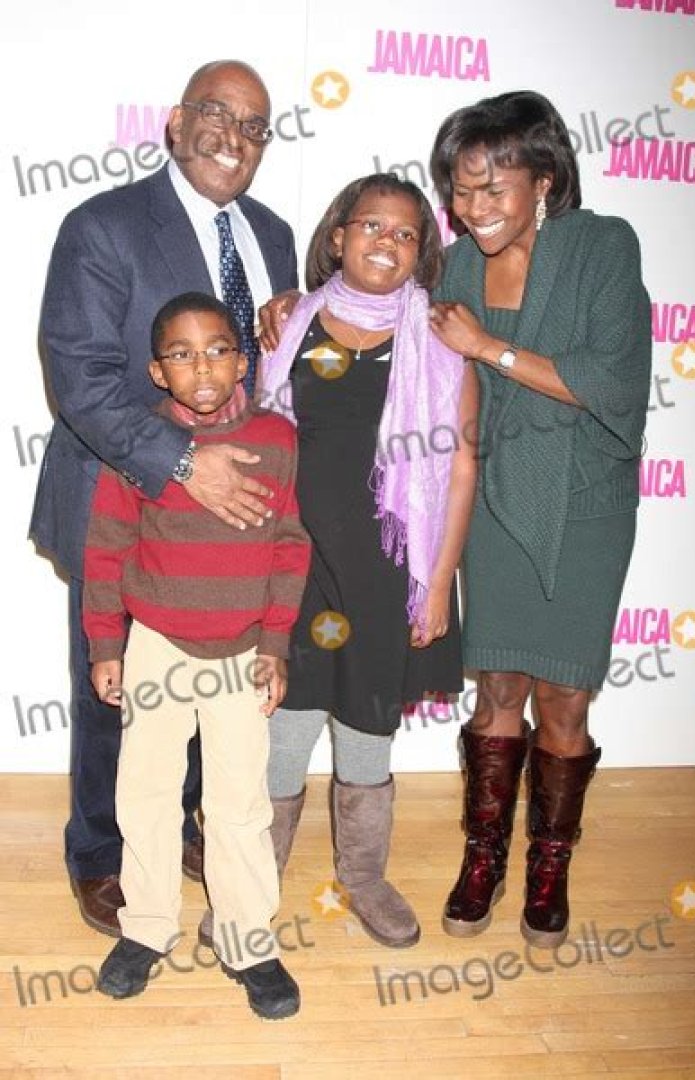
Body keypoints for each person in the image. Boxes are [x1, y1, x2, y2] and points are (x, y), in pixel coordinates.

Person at [29, 59, 298, 936]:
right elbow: (82, 377)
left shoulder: (274, 234)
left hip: (234, 524)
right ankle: (102, 853)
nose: (234, 136)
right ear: (177, 123)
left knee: (211, 686)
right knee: (119, 693)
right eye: (218, 113)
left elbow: (267, 374)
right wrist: (186, 463)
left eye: (255, 125)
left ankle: (180, 823)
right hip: (128, 500)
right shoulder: (102, 226)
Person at [427, 90, 651, 947]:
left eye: (493, 188)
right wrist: (292, 312)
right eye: (460, 189)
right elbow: (385, 313)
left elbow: (612, 381)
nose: (472, 207)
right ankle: (482, 854)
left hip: (585, 504)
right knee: (497, 690)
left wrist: (486, 346)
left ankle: (549, 865)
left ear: (545, 179)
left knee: (563, 695)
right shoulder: (455, 265)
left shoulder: (602, 246)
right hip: (491, 502)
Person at [257, 173, 478, 948]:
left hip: (389, 571)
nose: (387, 242)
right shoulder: (292, 325)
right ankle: (255, 882)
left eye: (405, 233)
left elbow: (461, 467)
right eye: (372, 225)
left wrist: (438, 584)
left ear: (422, 253)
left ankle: (364, 877)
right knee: (284, 729)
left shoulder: (440, 337)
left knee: (367, 727)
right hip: (297, 565)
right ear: (338, 236)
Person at [84, 292, 310, 1016]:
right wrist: (107, 644)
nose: (202, 367)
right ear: (158, 371)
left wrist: (275, 642)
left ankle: (248, 942)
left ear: (243, 361)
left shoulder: (277, 438)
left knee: (238, 803)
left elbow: (289, 546)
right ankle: (146, 929)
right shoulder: (141, 445)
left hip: (242, 655)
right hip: (156, 646)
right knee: (146, 793)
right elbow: (108, 548)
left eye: (217, 350)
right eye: (181, 355)